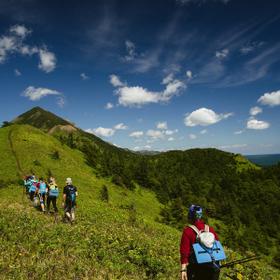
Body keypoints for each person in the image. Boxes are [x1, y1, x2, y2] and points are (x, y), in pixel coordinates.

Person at [180, 205, 220, 280]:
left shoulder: (188, 231)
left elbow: (184, 252)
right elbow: (217, 245)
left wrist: (183, 269)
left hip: (196, 269)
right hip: (213, 269)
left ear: (190, 216)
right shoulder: (209, 229)